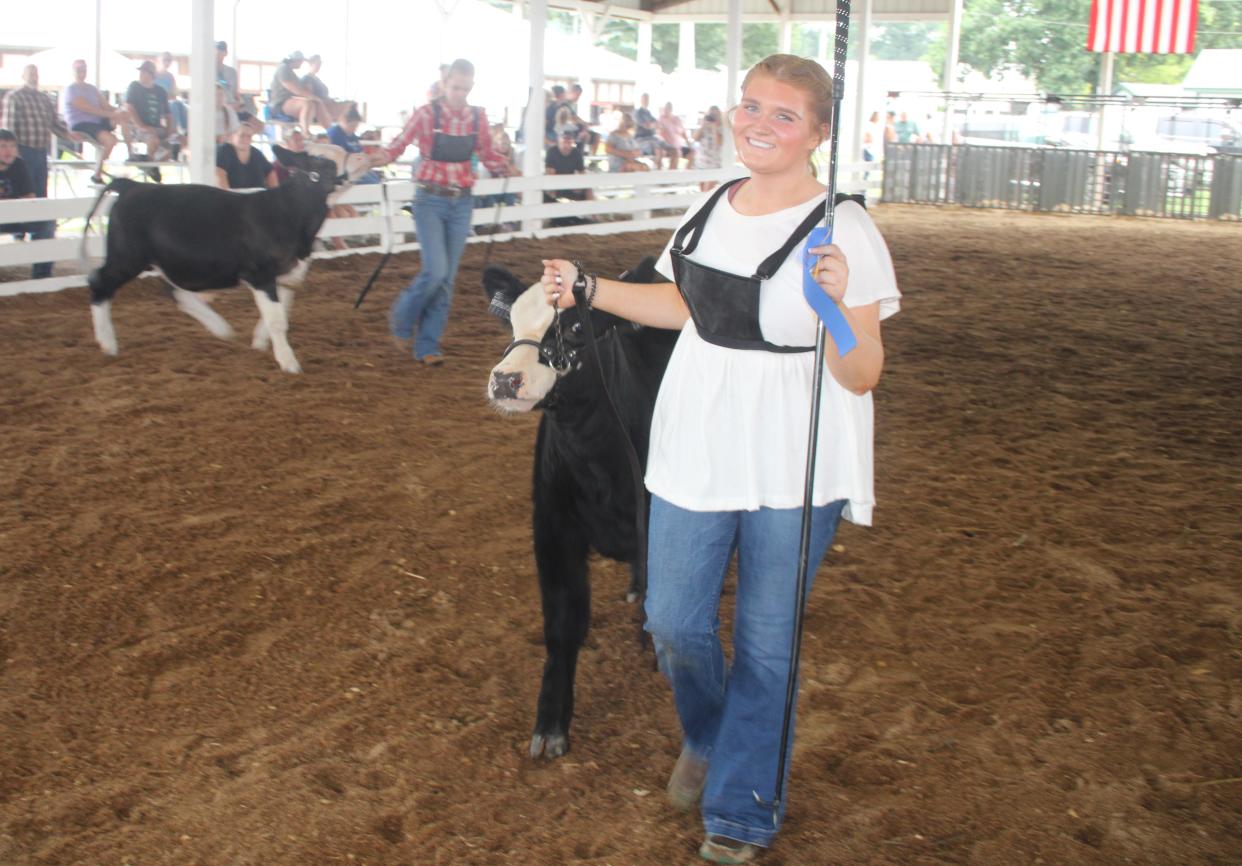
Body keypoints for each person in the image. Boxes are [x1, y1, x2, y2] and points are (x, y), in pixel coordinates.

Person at [538, 53, 900, 863]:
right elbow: (682, 304)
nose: (758, 125)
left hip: (797, 457)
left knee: (769, 645)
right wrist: (592, 289)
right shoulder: (710, 205)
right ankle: (710, 731)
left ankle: (742, 812)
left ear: (818, 133)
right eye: (750, 107)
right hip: (699, 441)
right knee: (671, 620)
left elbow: (862, 369)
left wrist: (836, 307)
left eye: (783, 115)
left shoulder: (849, 230)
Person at [371, 57, 516, 366]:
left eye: (465, 88)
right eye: (455, 87)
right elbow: (397, 146)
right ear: (444, 84)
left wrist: (503, 166)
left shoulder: (478, 118)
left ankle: (427, 346)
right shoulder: (426, 114)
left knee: (446, 279)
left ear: (471, 86)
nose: (459, 94)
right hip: (429, 200)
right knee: (435, 270)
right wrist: (375, 158)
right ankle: (402, 317)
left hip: (462, 201)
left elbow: (488, 154)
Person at [0, 65, 77, 278]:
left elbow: (55, 123)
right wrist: (11, 151)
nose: (34, 76)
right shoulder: (14, 96)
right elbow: (7, 129)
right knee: (21, 192)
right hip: (21, 150)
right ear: (22, 75)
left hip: (40, 151)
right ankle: (19, 235)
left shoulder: (44, 99)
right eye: (30, 72)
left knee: (37, 198)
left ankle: (39, 267)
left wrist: (70, 135)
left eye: (36, 73)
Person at [62, 59, 127, 185]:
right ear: (74, 72)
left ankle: (131, 151)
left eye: (84, 70)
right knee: (111, 140)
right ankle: (97, 173)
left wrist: (121, 112)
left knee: (121, 119)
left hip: (97, 122)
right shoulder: (71, 89)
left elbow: (105, 105)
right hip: (81, 123)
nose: (82, 73)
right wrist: (113, 114)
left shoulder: (92, 88)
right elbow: (88, 108)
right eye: (79, 70)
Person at [124, 60, 176, 162]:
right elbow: (129, 107)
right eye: (141, 72)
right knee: (153, 140)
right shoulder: (134, 87)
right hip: (138, 128)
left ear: (152, 75)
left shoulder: (161, 91)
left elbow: (168, 114)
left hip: (157, 128)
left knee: (176, 145)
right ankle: (150, 164)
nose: (141, 75)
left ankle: (149, 162)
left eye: (144, 72)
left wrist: (168, 131)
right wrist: (141, 126)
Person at [545, 128, 595, 224]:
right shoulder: (552, 152)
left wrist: (580, 185)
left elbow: (582, 173)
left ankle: (594, 215)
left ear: (573, 141)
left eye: (569, 139)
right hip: (555, 186)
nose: (567, 142)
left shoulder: (576, 153)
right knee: (550, 191)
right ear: (559, 140)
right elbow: (551, 175)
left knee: (588, 188)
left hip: (570, 185)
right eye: (564, 139)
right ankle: (552, 217)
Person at [269, 51, 329, 132]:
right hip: (279, 103)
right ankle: (305, 132)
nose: (301, 64)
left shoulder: (290, 71)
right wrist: (311, 96)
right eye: (301, 61)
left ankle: (329, 129)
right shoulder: (283, 68)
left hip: (287, 101)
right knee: (307, 104)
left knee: (316, 103)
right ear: (296, 60)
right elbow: (291, 87)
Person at [327, 107, 382, 183]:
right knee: (370, 181)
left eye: (356, 126)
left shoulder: (352, 136)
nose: (354, 129)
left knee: (375, 178)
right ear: (344, 121)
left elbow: (359, 153)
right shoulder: (334, 134)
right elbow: (339, 157)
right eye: (352, 126)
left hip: (356, 166)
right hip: (345, 170)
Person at [214, 125, 276, 190]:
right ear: (232, 136)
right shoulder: (224, 150)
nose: (245, 139)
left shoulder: (256, 153)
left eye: (249, 136)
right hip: (234, 197)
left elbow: (270, 173)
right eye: (242, 135)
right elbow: (219, 174)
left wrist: (275, 194)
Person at [301, 54, 355, 125]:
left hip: (327, 103)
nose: (319, 66)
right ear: (311, 64)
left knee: (351, 104)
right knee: (348, 107)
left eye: (320, 64)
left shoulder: (317, 79)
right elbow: (310, 95)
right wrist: (323, 101)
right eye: (317, 63)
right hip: (321, 106)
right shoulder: (307, 78)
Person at [634, 92, 674, 168]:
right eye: (644, 99)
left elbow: (658, 125)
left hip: (653, 138)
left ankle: (670, 175)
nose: (646, 101)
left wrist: (654, 125)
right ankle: (657, 173)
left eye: (647, 100)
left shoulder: (648, 113)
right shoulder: (638, 113)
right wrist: (653, 125)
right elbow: (647, 125)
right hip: (642, 140)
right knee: (658, 151)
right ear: (641, 100)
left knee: (673, 150)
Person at [154, 52, 187, 135]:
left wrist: (170, 98)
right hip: (156, 102)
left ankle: (185, 130)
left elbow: (174, 93)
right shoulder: (153, 74)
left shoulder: (170, 76)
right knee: (173, 105)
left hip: (167, 101)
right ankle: (173, 131)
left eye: (169, 60)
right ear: (159, 60)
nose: (167, 62)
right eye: (165, 60)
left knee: (180, 104)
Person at [693, 105, 723, 191]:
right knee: (702, 190)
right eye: (711, 114)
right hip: (701, 161)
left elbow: (719, 143)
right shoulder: (704, 125)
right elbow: (695, 138)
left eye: (715, 115)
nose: (712, 116)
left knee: (708, 192)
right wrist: (703, 125)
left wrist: (714, 127)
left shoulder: (721, 128)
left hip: (714, 163)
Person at [658, 101, 692, 170]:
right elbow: (658, 131)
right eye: (665, 108)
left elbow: (683, 133)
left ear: (671, 109)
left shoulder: (677, 119)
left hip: (677, 145)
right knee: (673, 153)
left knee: (692, 152)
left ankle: (681, 173)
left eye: (668, 108)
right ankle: (669, 175)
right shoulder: (661, 118)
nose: (666, 110)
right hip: (665, 145)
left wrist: (689, 144)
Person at [216, 41, 241, 112]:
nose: (217, 53)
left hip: (232, 107)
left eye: (221, 51)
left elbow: (235, 93)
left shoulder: (232, 72)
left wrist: (238, 103)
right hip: (217, 108)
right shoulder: (207, 72)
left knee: (257, 122)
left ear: (226, 53)